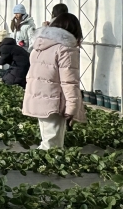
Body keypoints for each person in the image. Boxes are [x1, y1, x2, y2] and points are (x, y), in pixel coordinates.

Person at [22, 13, 86, 150]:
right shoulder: (65, 49)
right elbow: (69, 82)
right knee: (52, 146)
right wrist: (72, 107)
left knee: (48, 140)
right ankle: (36, 163)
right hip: (53, 101)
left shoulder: (40, 45)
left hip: (39, 99)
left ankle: (38, 162)